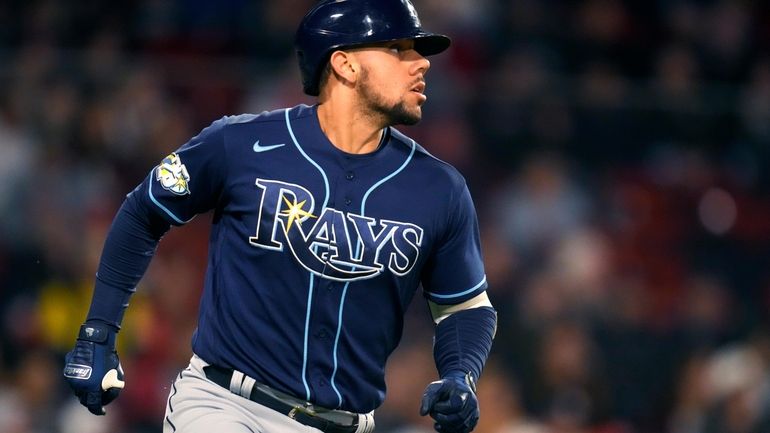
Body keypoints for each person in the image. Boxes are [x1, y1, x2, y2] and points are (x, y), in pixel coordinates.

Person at [62, 1, 497, 432]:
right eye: (399, 49)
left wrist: (461, 374)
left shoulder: (441, 189)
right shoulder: (240, 143)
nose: (421, 62)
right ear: (344, 64)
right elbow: (143, 212)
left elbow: (465, 307)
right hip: (226, 406)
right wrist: (99, 329)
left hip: (348, 423)